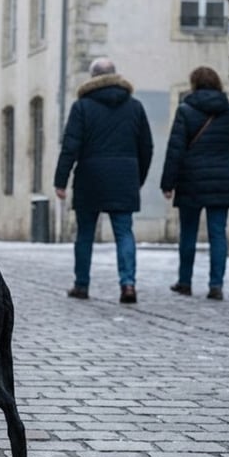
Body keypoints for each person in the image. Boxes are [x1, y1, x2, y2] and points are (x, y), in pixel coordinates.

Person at [54, 57, 153, 304]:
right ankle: (128, 284)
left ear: (92, 78)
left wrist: (61, 180)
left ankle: (81, 285)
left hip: (90, 178)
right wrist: (137, 177)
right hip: (125, 178)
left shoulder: (82, 107)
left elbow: (70, 146)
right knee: (124, 233)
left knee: (85, 234)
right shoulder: (135, 106)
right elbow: (147, 147)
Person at [160, 66, 229, 301]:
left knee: (188, 232)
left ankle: (185, 282)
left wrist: (168, 183)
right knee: (218, 234)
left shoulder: (186, 111)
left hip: (191, 181)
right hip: (222, 181)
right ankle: (216, 285)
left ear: (194, 84)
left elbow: (175, 150)